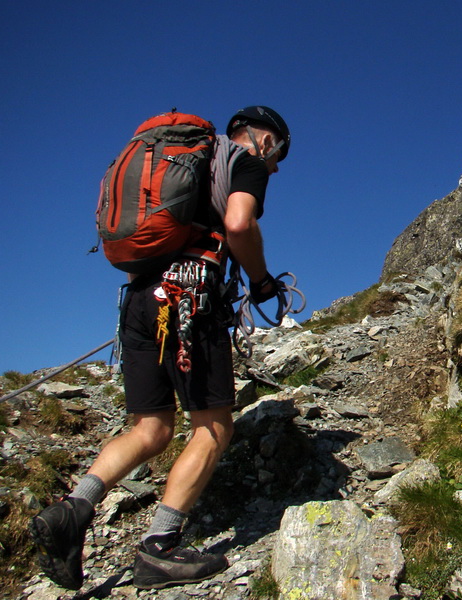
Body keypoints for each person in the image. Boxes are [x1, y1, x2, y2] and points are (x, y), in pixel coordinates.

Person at [29, 106, 290, 591]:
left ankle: (72, 511)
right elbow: (237, 224)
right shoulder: (243, 161)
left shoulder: (172, 163)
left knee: (150, 427)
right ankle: (159, 548)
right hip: (191, 296)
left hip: (137, 301)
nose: (275, 167)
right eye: (279, 155)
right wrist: (260, 282)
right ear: (266, 140)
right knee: (213, 425)